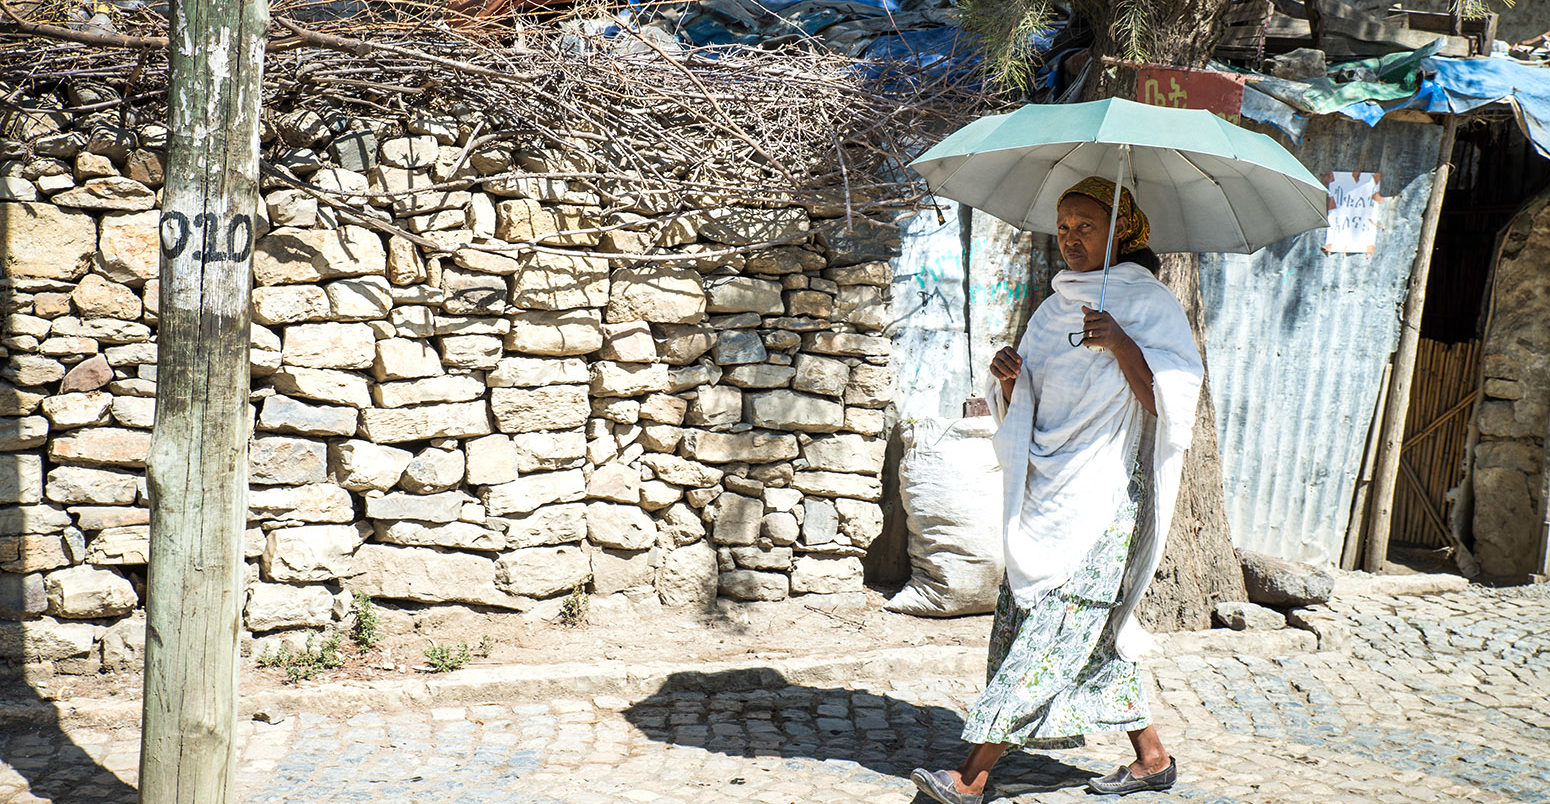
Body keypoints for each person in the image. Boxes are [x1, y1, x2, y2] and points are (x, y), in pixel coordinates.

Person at [910, 176, 1205, 803]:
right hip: (1051, 488)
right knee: (1082, 632)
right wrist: (1010, 381)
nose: (1071, 238)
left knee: (1054, 630)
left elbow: (1169, 405)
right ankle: (1152, 760)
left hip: (1107, 496)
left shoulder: (1149, 304)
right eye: (1064, 227)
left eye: (1086, 226)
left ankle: (971, 778)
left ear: (1120, 231)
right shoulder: (1052, 308)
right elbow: (1034, 414)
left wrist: (1124, 344)